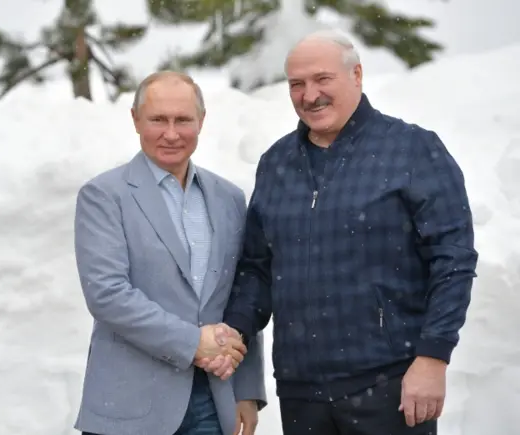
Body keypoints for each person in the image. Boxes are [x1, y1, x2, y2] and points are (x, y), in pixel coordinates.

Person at [220, 30, 479, 435]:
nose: (310, 95)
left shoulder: (412, 149)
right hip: (301, 391)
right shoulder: (276, 163)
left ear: (357, 75)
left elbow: (453, 260)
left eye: (323, 79)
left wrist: (433, 357)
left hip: (391, 384)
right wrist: (232, 329)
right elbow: (258, 268)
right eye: (297, 84)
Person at [72, 70, 267, 435]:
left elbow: (242, 293)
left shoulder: (229, 198)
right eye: (158, 120)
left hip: (213, 402)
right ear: (135, 120)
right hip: (130, 406)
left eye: (183, 120)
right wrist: (193, 343)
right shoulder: (103, 196)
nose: (171, 133)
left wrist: (248, 391)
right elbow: (107, 294)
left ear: (201, 121)